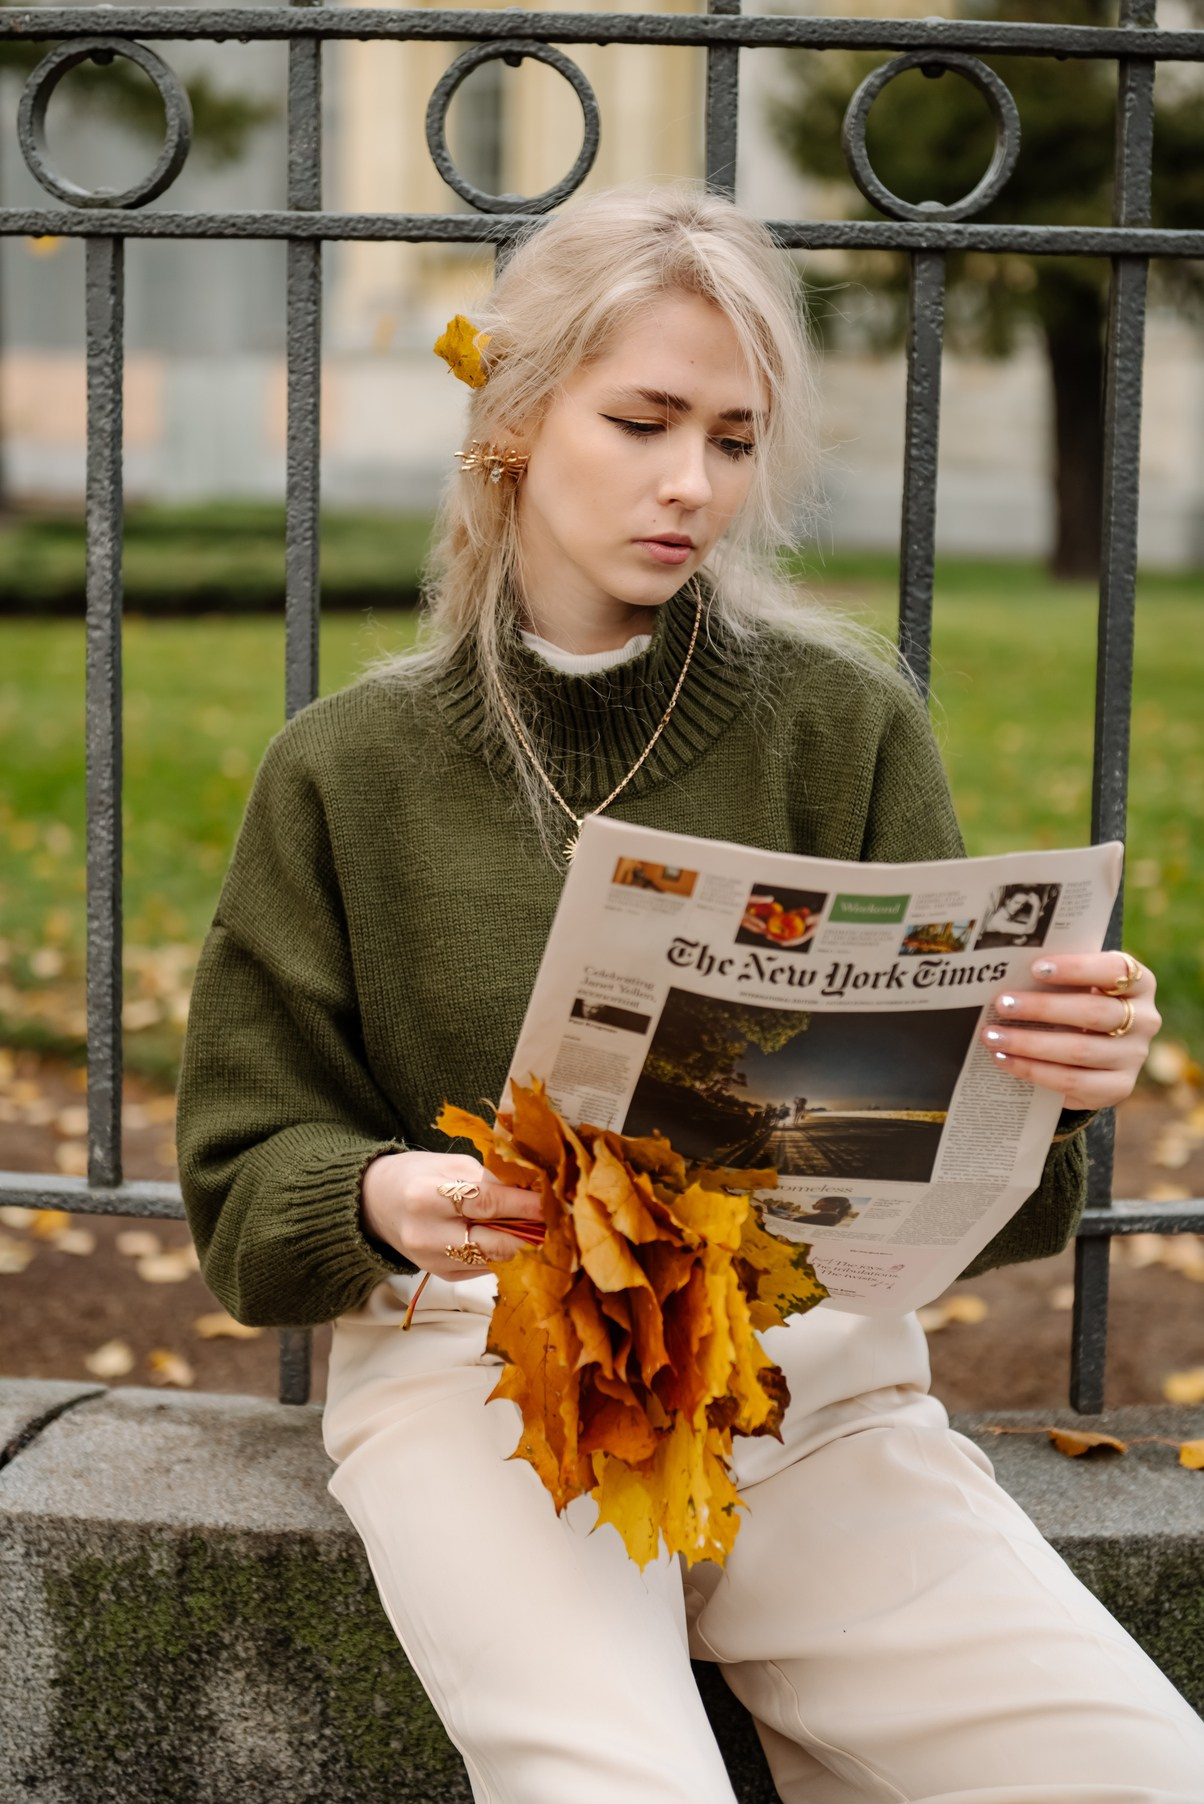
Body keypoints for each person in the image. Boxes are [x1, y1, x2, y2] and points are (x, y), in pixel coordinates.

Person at [176, 187, 1203, 1804]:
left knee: (1134, 1771)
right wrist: (384, 1194)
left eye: (732, 440)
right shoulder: (347, 769)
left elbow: (987, 1213)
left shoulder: (841, 725)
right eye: (643, 420)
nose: (691, 485)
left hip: (812, 1388)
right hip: (485, 1376)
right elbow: (244, 1178)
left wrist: (1054, 1082)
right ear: (515, 421)